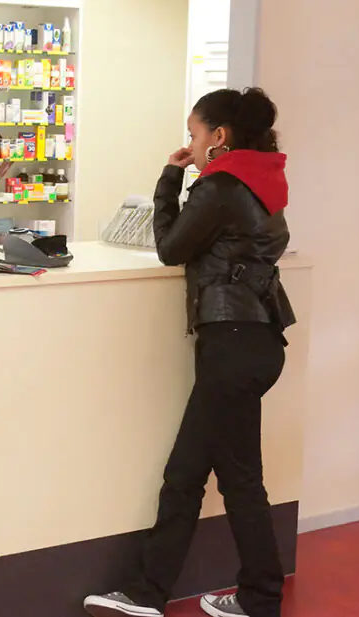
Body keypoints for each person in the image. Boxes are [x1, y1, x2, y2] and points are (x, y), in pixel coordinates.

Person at [83, 87, 296, 617]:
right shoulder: (264, 180)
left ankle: (256, 599)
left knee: (238, 479)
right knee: (189, 473)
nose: (191, 145)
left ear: (218, 136)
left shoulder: (220, 185)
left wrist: (169, 179)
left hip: (231, 343)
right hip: (258, 341)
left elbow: (171, 247)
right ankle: (149, 593)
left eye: (194, 135)